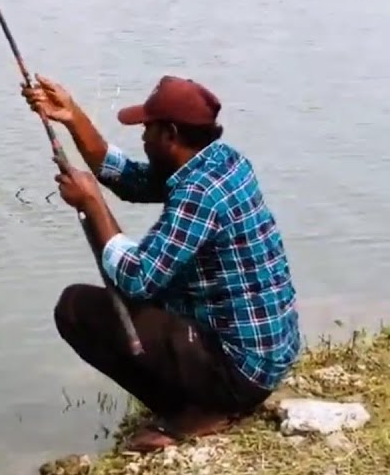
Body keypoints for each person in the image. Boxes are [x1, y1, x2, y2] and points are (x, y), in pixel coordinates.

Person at [21, 73, 301, 453]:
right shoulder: (222, 162)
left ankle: (199, 410)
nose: (141, 136)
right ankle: (205, 397)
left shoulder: (199, 194)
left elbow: (135, 278)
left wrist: (91, 202)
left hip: (239, 371)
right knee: (150, 289)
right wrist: (71, 116)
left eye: (146, 129)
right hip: (267, 356)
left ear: (169, 134)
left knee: (75, 309)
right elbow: (132, 180)